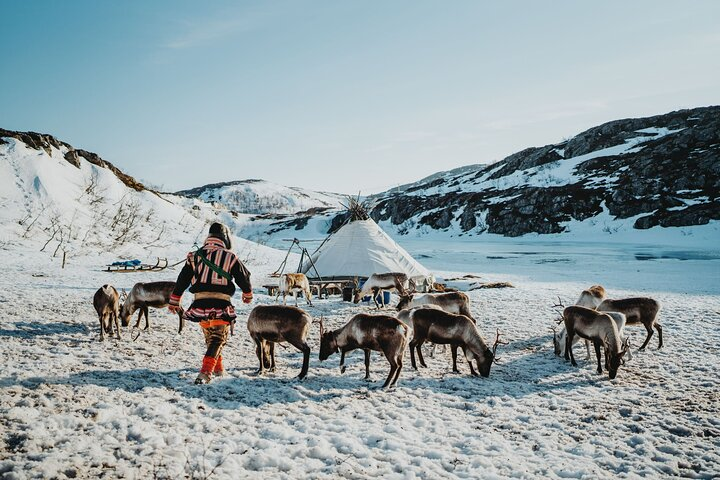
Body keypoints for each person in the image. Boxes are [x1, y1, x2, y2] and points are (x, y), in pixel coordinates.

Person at [168, 222, 253, 384]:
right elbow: (244, 276)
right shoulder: (230, 256)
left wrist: (174, 300)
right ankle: (205, 373)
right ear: (225, 238)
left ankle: (218, 369)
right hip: (220, 304)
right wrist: (247, 294)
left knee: (211, 339)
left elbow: (182, 280)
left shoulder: (194, 256)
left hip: (199, 304)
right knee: (218, 339)